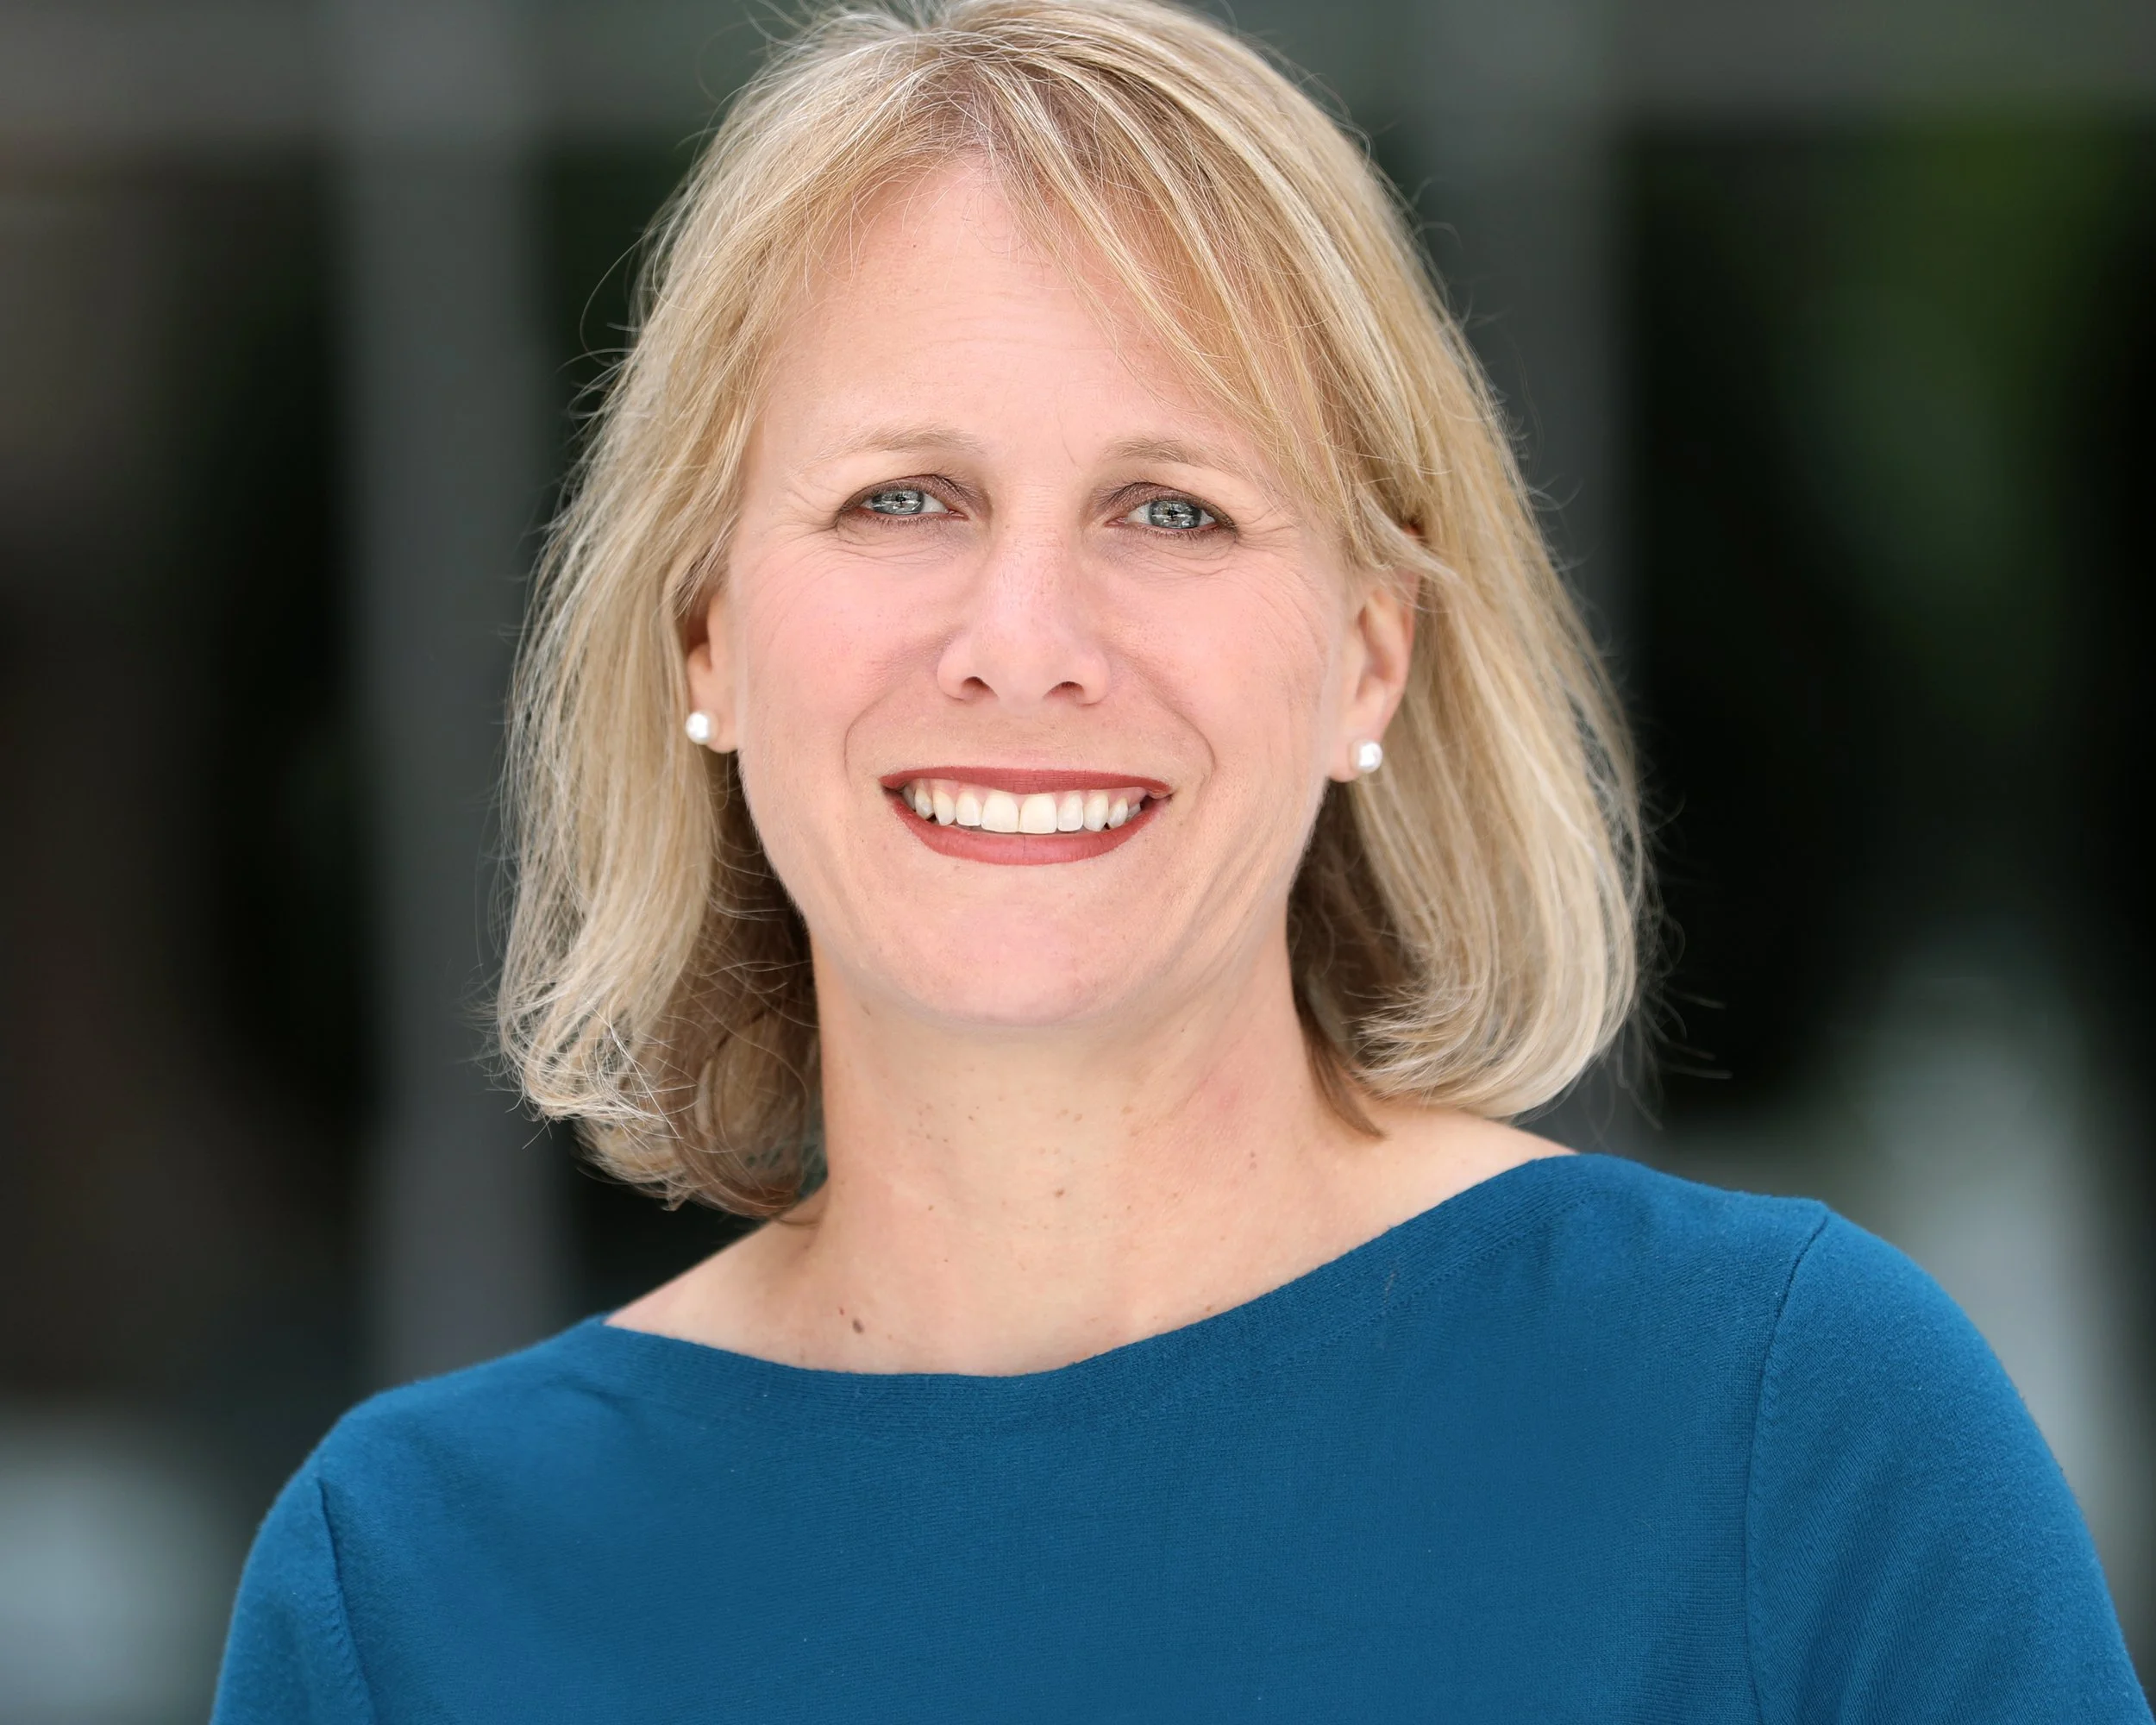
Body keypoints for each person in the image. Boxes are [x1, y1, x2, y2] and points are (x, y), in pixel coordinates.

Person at [213, 2, 2151, 1718]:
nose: (1023, 641)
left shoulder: (1782, 1434)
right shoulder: (415, 1588)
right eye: (904, 497)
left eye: (1170, 509)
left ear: (1367, 657)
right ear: (707, 631)